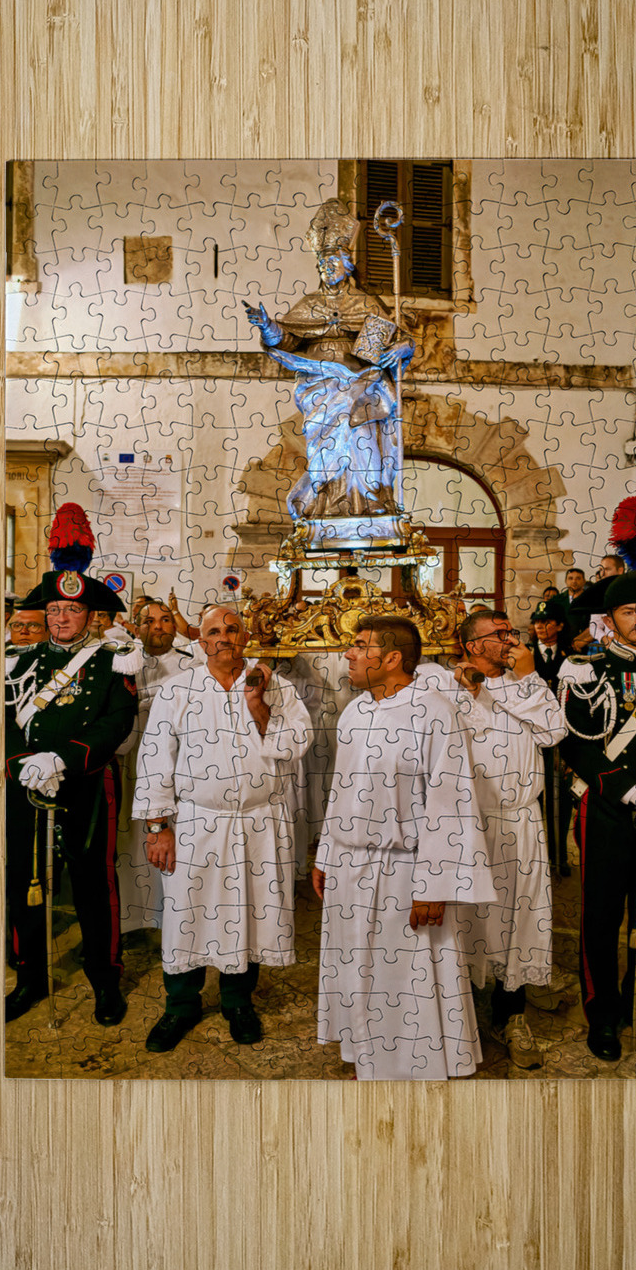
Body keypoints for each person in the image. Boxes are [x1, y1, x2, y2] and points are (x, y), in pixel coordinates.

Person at [313, 616, 496, 1080]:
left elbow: (450, 802)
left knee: (406, 977)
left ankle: (415, 1064)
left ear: (392, 658)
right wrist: (326, 855)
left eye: (359, 646)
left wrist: (434, 886)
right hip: (351, 864)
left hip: (406, 870)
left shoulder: (434, 712)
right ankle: (365, 1054)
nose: (348, 655)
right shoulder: (355, 711)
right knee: (356, 965)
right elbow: (341, 789)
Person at [132, 606, 311, 1052]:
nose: (225, 637)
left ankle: (237, 1002)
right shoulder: (177, 691)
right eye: (215, 631)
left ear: (245, 637)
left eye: (233, 629)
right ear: (202, 641)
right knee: (186, 915)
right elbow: (155, 760)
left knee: (248, 915)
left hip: (259, 823)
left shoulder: (276, 686)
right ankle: (180, 1006)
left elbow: (298, 744)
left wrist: (259, 709)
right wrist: (158, 826)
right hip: (196, 823)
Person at [4, 562, 140, 1026]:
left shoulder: (113, 661)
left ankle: (105, 978)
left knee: (93, 888)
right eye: (55, 609)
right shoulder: (18, 661)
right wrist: (20, 763)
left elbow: (117, 721)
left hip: (85, 786)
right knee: (25, 884)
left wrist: (61, 758)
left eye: (72, 610)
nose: (61, 618)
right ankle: (30, 979)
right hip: (25, 790)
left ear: (91, 616)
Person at [558, 570, 636, 1061]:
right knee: (602, 918)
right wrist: (627, 790)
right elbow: (576, 748)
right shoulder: (585, 670)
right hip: (605, 810)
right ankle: (603, 1013)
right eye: (630, 612)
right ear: (609, 621)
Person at [245, 197, 413, 526]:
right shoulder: (309, 304)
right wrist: (268, 325)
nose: (326, 268)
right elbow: (289, 340)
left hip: (363, 383)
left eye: (332, 262)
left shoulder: (366, 302)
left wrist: (404, 347)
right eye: (321, 264)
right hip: (320, 385)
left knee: (363, 438)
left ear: (346, 263)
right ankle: (328, 500)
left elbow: (396, 339)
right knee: (327, 443)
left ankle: (370, 501)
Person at [447, 610, 568, 1068]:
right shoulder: (447, 685)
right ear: (472, 645)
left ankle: (511, 1013)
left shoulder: (526, 680)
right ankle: (457, 1017)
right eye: (498, 635)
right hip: (471, 824)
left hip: (521, 821)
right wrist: (496, 686)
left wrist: (519, 680)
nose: (510, 640)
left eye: (510, 632)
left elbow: (554, 731)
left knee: (521, 919)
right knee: (471, 921)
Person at [114, 600, 203, 932]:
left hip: (178, 762)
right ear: (137, 627)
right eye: (150, 621)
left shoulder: (191, 665)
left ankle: (174, 919)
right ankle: (133, 919)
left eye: (166, 619)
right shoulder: (125, 661)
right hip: (131, 756)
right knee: (130, 839)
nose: (160, 626)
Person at [530, 597, 574, 874]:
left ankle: (560, 857)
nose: (541, 627)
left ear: (559, 625)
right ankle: (538, 858)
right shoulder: (522, 654)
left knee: (561, 798)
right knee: (534, 798)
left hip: (562, 739)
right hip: (531, 738)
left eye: (546, 622)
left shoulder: (571, 656)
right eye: (536, 622)